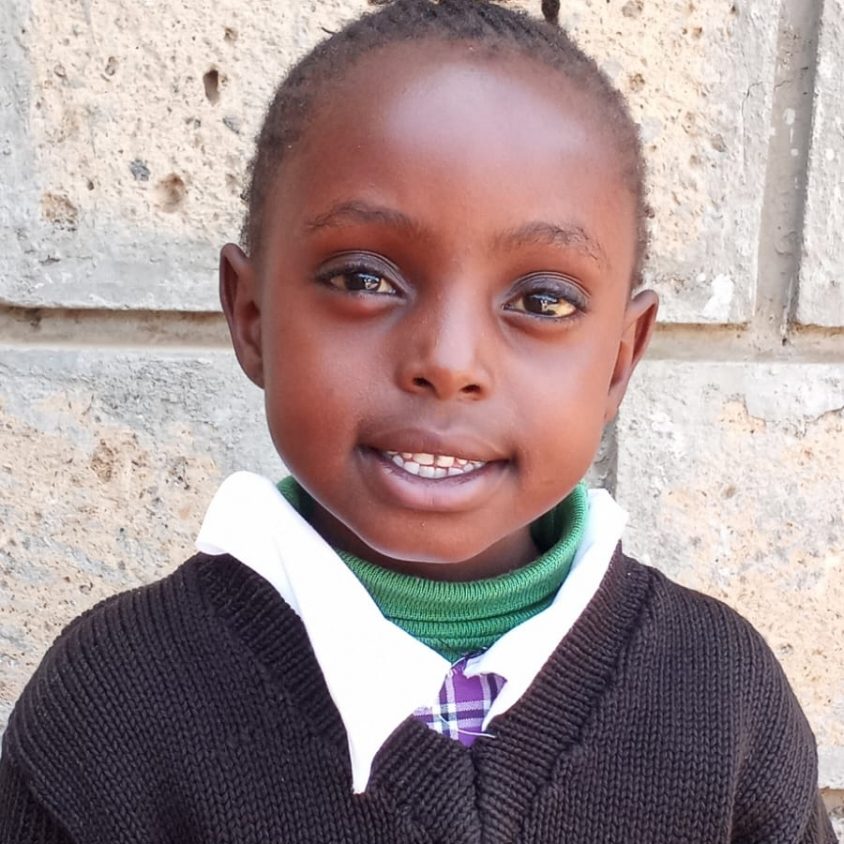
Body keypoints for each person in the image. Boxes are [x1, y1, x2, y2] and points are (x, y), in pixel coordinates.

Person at [0, 0, 834, 841]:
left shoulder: (725, 700)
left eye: (542, 300)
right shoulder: (108, 707)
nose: (450, 360)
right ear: (252, 319)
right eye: (364, 280)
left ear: (620, 360)